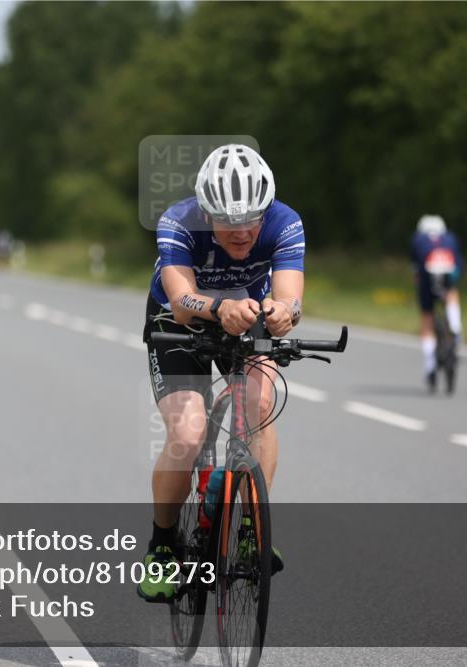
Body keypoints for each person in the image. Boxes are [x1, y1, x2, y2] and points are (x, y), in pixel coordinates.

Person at [137, 144, 304, 602]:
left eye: (252, 219)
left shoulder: (285, 221)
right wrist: (219, 306)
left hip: (248, 314)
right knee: (188, 433)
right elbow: (182, 301)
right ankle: (163, 547)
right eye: (229, 223)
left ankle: (250, 528)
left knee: (261, 403)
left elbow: (290, 295)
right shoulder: (177, 220)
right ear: (206, 212)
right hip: (179, 321)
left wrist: (284, 312)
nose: (243, 232)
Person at [410, 215, 462, 391]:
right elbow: (459, 264)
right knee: (452, 293)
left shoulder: (418, 240)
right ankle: (455, 328)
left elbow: (416, 271)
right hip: (448, 273)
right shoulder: (450, 238)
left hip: (427, 276)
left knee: (427, 318)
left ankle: (429, 365)